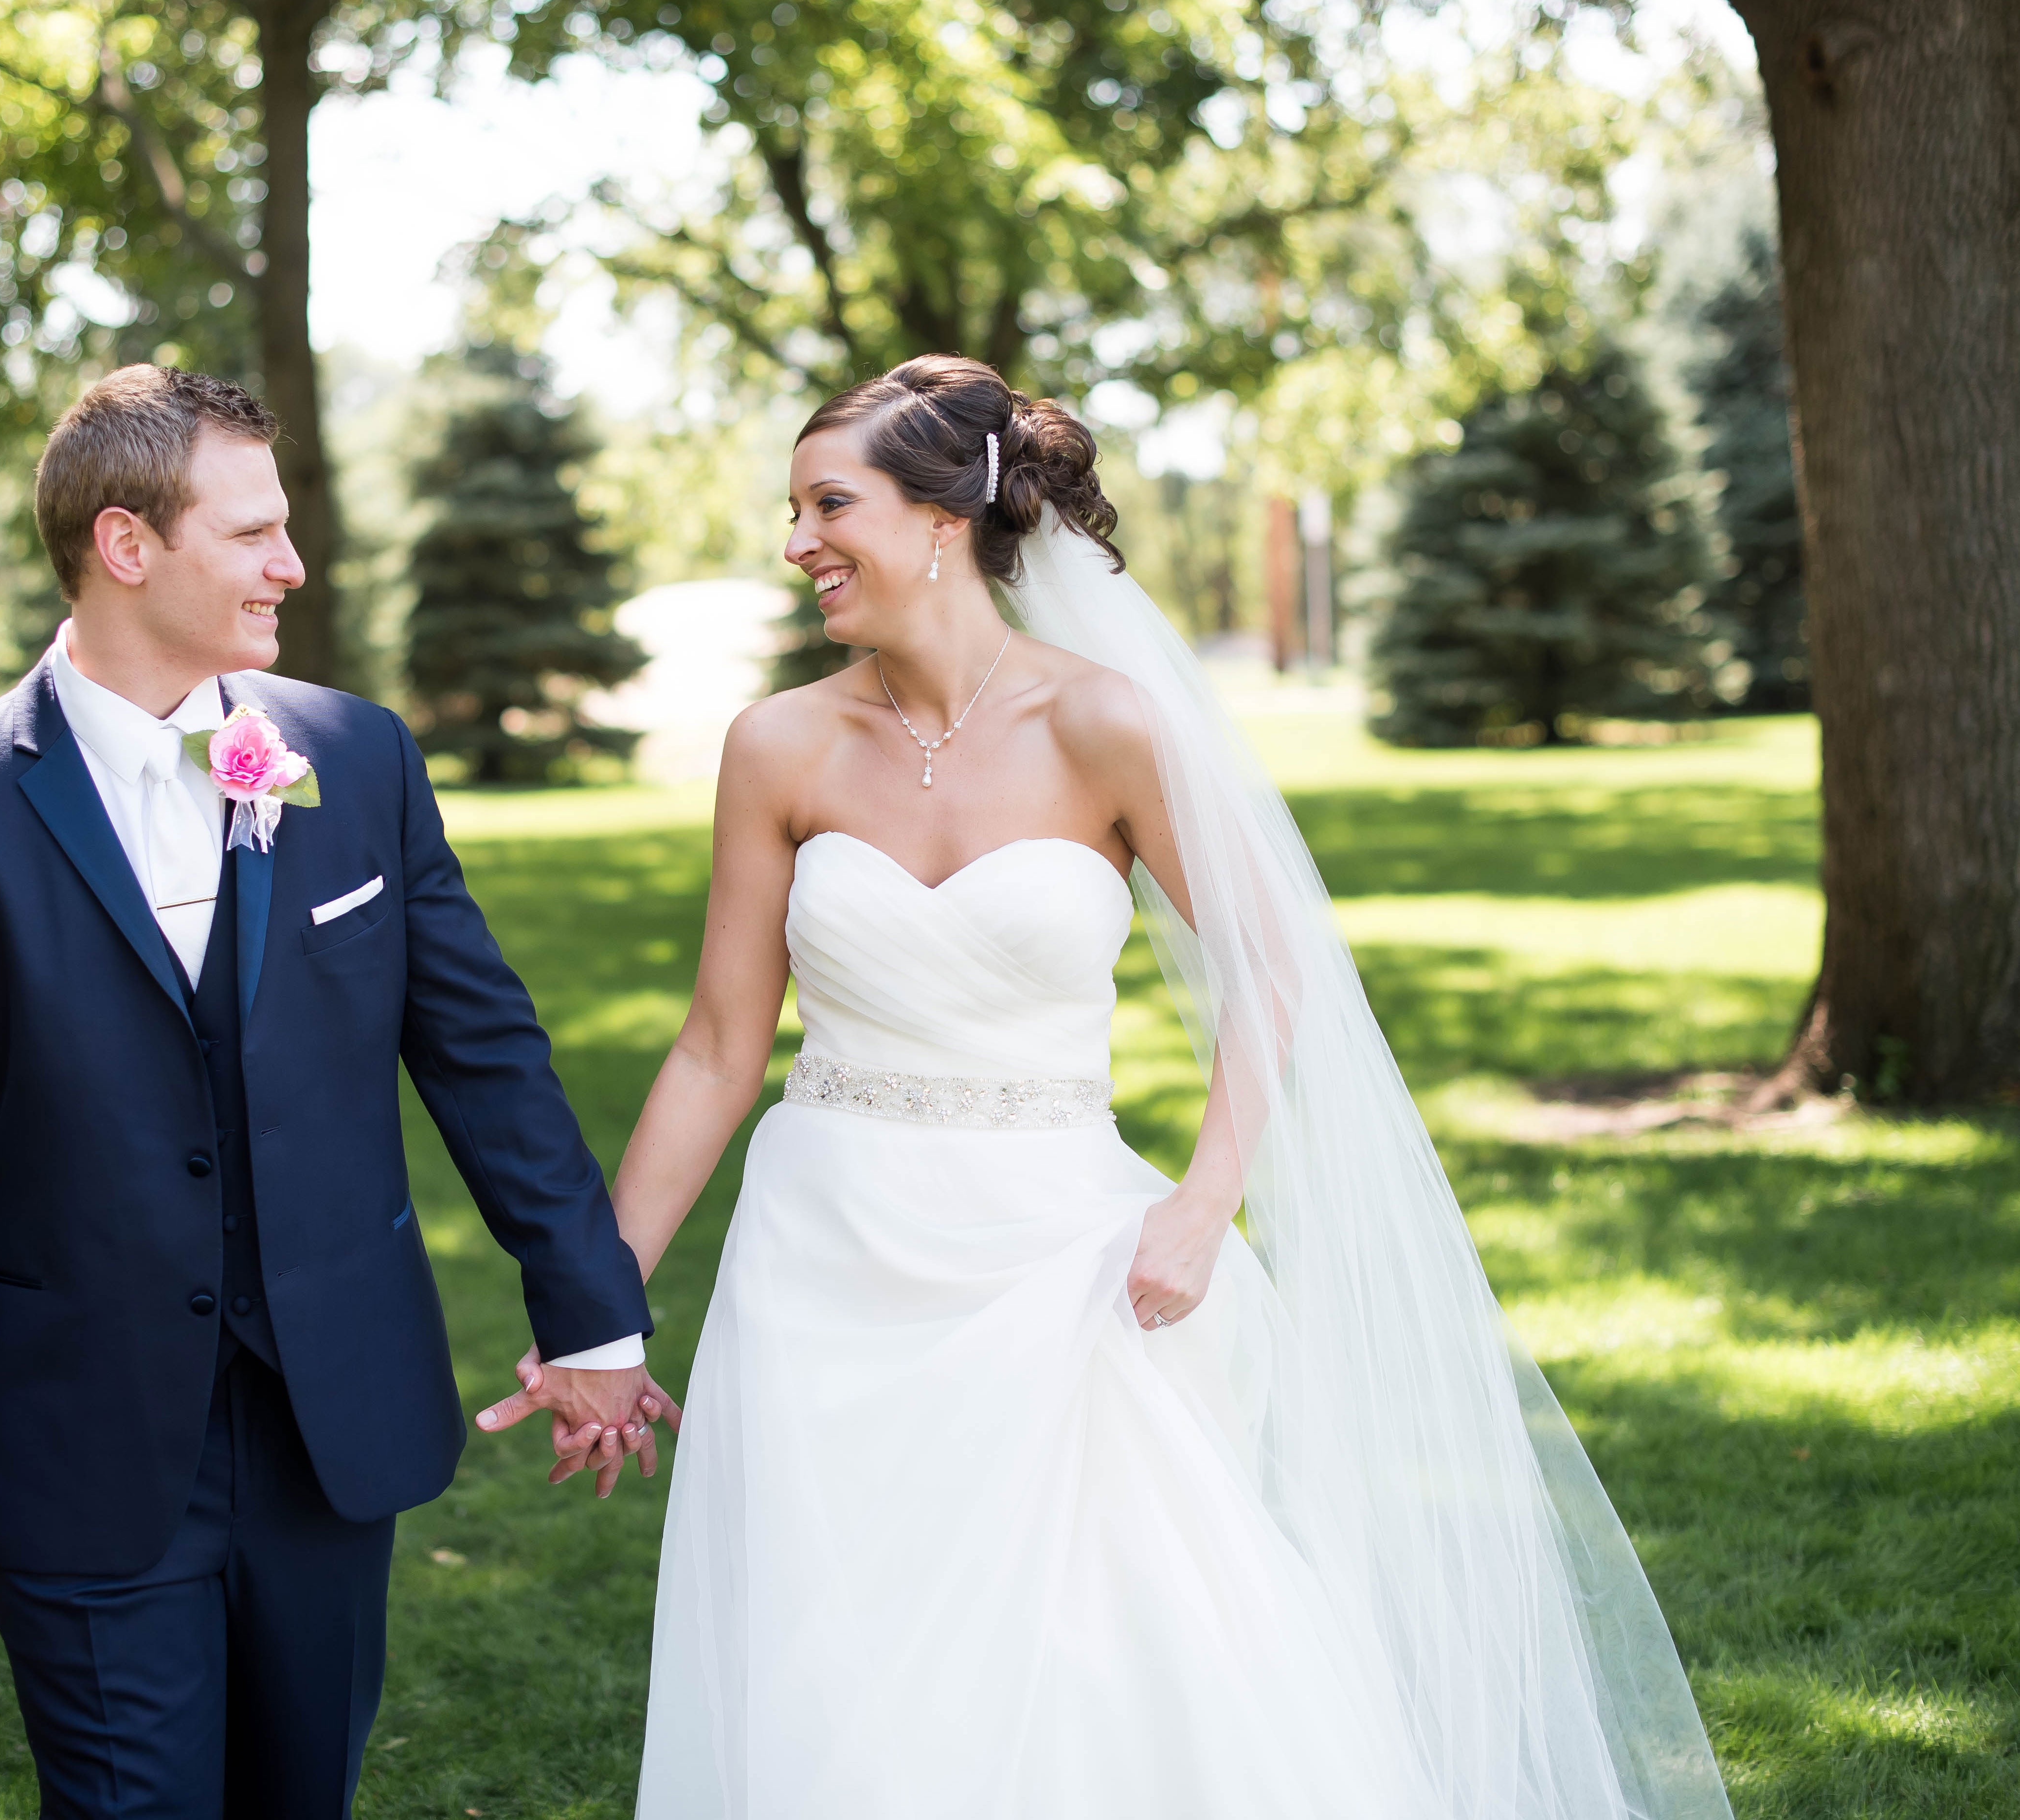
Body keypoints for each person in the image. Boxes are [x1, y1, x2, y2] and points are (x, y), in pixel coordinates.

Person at [591, 355, 1737, 1818]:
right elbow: (713, 1047)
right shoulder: (778, 745)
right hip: (823, 1256)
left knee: (1114, 1638)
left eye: (829, 504)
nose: (798, 539)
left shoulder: (1105, 724)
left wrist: (1203, 1204)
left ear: (945, 519)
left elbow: (1272, 961)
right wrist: (599, 1302)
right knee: (835, 1640)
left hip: (1061, 1253)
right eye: (793, 508)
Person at [0, 364, 673, 1820]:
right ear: (125, 545)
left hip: (329, 1424)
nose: (293, 564)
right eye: (252, 534)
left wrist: (590, 1313)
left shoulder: (356, 759)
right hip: (78, 1434)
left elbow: (482, 1053)